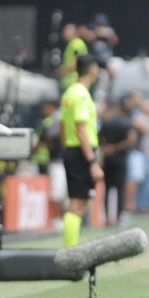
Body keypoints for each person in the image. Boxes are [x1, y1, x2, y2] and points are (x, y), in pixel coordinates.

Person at [59, 54, 103, 247]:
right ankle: (70, 253)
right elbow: (81, 130)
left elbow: (61, 126)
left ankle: (70, 249)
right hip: (81, 152)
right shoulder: (82, 94)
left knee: (77, 204)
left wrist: (67, 149)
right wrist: (92, 162)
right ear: (92, 69)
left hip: (72, 150)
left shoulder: (69, 92)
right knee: (77, 206)